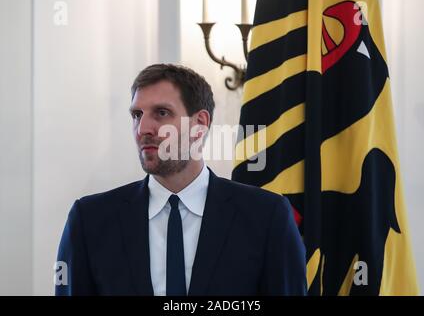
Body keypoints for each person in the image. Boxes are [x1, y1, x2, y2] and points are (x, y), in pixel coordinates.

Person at [55, 64, 306, 296]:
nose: (143, 128)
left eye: (161, 113)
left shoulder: (266, 216)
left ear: (200, 124)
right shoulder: (90, 220)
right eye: (136, 115)